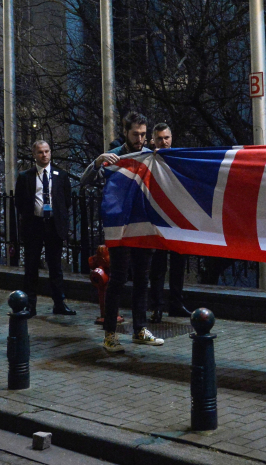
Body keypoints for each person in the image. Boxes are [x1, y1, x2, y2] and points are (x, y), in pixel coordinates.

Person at [81, 111, 164, 351]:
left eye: (143, 134)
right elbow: (85, 181)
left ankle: (140, 329)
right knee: (118, 279)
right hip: (120, 226)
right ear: (125, 133)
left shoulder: (149, 155)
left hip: (143, 224)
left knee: (142, 279)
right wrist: (98, 162)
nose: (140, 139)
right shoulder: (115, 157)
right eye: (135, 134)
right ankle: (110, 334)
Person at [14, 140, 74, 317]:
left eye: (47, 151)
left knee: (55, 266)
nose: (44, 155)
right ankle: (30, 305)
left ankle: (59, 303)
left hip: (54, 225)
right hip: (34, 225)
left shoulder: (61, 175)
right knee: (31, 266)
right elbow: (19, 202)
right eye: (40, 152)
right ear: (34, 155)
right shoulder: (25, 176)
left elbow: (67, 201)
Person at [148, 123, 190, 323]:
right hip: (158, 217)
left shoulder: (180, 158)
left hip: (177, 218)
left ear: (171, 138)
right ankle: (157, 307)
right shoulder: (149, 159)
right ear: (153, 140)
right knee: (158, 266)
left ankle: (176, 304)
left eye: (166, 138)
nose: (164, 142)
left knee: (178, 264)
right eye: (159, 138)